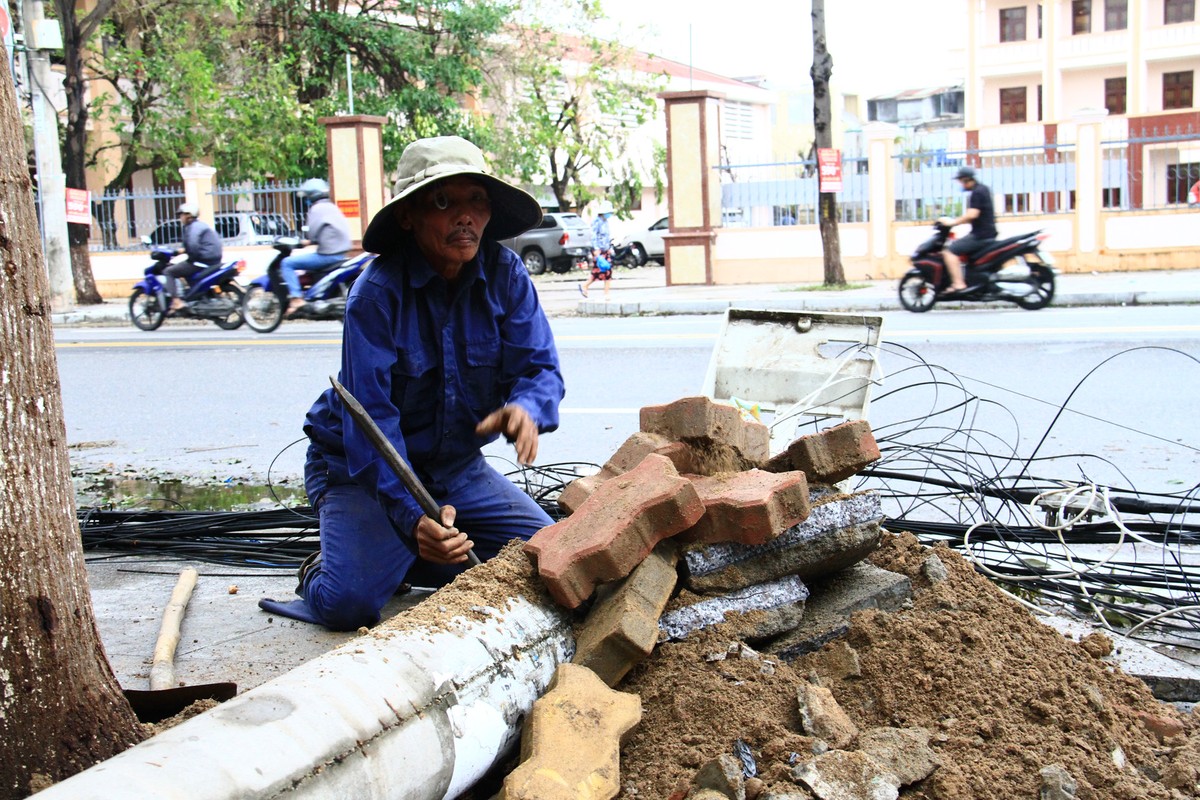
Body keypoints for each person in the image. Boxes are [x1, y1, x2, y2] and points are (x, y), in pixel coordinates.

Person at [258, 136, 565, 631]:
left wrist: (528, 408)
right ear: (409, 216)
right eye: (444, 201)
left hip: (456, 468)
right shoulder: (375, 295)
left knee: (548, 560)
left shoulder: (505, 274)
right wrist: (410, 516)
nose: (465, 216)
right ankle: (327, 568)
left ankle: (407, 558)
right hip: (362, 473)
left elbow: (541, 368)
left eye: (476, 200)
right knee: (349, 604)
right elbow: (370, 425)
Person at [281, 178, 352, 317]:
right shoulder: (331, 207)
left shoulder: (316, 209)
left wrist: (304, 241)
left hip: (327, 256)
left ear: (312, 195)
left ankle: (296, 298)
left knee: (287, 263)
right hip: (341, 253)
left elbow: (312, 234)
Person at [938, 165, 996, 295]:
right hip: (987, 233)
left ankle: (958, 284)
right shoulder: (984, 189)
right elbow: (973, 216)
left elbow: (972, 215)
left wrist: (952, 222)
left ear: (966, 180)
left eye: (960, 181)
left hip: (980, 235)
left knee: (949, 252)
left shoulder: (977, 193)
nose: (960, 184)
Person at [166, 202, 223, 312]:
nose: (180, 218)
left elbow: (192, 246)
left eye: (181, 215)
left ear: (188, 215)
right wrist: (180, 251)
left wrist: (189, 257)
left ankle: (176, 301)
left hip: (202, 260)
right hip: (213, 259)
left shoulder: (192, 227)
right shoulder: (201, 225)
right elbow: (192, 245)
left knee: (169, 271)